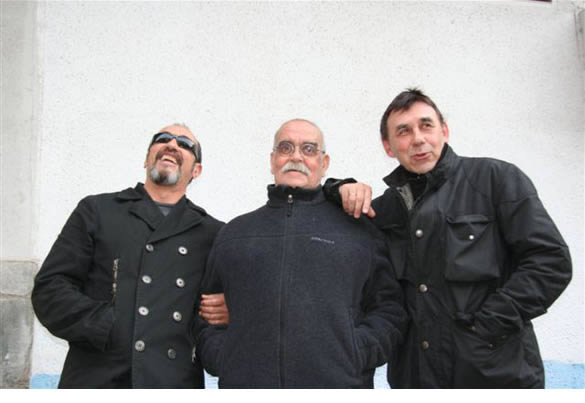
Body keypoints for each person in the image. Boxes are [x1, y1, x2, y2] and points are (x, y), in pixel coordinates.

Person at [324, 88, 572, 388]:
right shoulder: (384, 211)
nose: (418, 139)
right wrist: (336, 189)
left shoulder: (494, 179)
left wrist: (489, 325)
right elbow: (325, 232)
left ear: (444, 131)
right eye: (403, 131)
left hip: (496, 374)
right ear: (388, 147)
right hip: (416, 378)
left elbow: (550, 262)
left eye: (426, 125)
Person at [195, 119, 408, 388]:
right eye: (285, 147)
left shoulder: (359, 230)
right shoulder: (234, 233)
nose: (296, 156)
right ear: (272, 160)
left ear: (324, 163)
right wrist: (223, 357)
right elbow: (206, 313)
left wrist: (356, 351)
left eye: (308, 149)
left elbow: (390, 309)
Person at [31, 124, 228, 388]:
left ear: (196, 170)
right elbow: (50, 289)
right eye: (162, 139)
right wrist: (107, 324)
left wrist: (228, 309)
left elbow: (222, 309)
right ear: (147, 159)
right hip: (97, 376)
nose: (171, 144)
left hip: (173, 381)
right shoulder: (97, 211)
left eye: (184, 144)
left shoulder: (213, 233)